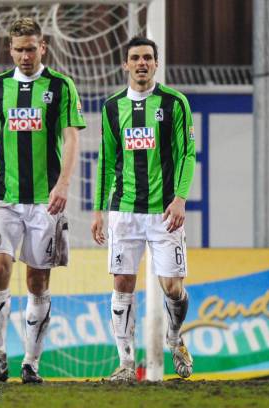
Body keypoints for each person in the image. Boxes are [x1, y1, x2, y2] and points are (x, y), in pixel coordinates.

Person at [0, 18, 85, 383]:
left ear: (43, 47)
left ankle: (31, 364)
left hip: (45, 200)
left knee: (37, 281)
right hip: (4, 197)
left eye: (31, 48)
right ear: (10, 50)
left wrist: (64, 184)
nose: (25, 55)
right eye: (18, 49)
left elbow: (71, 138)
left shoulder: (60, 86)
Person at [91, 36, 196, 381]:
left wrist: (180, 198)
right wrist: (98, 210)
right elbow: (106, 161)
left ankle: (175, 337)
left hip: (165, 211)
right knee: (122, 282)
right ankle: (125, 363)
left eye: (147, 58)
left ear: (155, 63)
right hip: (124, 211)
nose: (141, 63)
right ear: (125, 64)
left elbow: (186, 154)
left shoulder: (175, 102)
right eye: (134, 57)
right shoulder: (111, 108)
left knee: (172, 288)